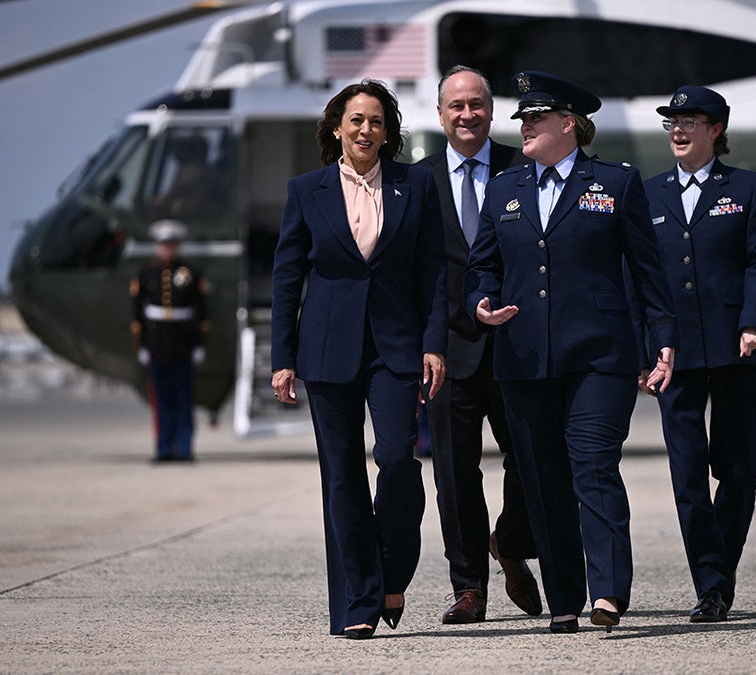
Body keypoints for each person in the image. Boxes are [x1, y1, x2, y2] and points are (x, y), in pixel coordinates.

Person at [465, 71, 677, 634]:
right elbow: (482, 264)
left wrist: (663, 339)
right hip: (525, 358)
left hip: (600, 356)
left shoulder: (616, 182)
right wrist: (481, 303)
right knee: (543, 478)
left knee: (592, 463)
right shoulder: (505, 188)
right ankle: (564, 600)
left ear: (569, 124)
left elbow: (648, 272)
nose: (524, 127)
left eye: (535, 118)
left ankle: (607, 591)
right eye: (523, 119)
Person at [270, 80, 448, 640]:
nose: (365, 129)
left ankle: (393, 572)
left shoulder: (414, 185)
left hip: (396, 347)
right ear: (336, 129)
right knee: (341, 479)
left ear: (388, 130)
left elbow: (435, 271)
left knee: (397, 459)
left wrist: (434, 341)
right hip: (325, 350)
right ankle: (359, 602)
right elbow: (286, 277)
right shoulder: (307, 190)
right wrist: (282, 357)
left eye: (375, 120)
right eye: (355, 120)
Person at [643, 86, 756, 622]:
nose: (678, 130)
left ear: (716, 130)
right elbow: (642, 278)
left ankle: (719, 570)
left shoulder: (747, 188)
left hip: (735, 349)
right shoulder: (650, 193)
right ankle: (712, 586)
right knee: (687, 475)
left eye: (690, 121)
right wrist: (645, 347)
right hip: (672, 355)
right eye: (672, 122)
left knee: (740, 469)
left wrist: (753, 324)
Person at [417, 65, 543, 624]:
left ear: (491, 111)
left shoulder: (525, 168)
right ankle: (468, 586)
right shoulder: (418, 182)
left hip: (518, 345)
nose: (467, 114)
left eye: (476, 104)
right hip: (446, 351)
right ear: (440, 114)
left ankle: (510, 544)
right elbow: (411, 274)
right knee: (454, 472)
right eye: (455, 106)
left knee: (530, 460)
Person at [129, 220, 208, 463]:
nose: (168, 249)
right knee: (162, 401)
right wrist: (141, 345)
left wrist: (199, 344)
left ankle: (184, 448)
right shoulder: (146, 273)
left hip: (182, 344)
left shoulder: (190, 273)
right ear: (157, 246)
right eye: (164, 244)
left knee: (184, 399)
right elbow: (136, 315)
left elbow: (202, 313)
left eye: (172, 244)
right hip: (156, 344)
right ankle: (164, 448)